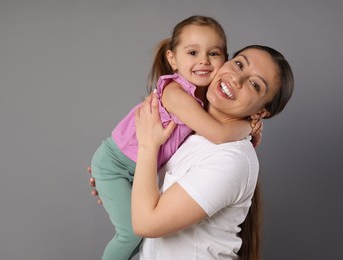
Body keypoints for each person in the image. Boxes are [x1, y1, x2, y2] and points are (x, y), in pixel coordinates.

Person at [90, 15, 261, 260]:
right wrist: (248, 127)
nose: (203, 60)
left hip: (135, 168)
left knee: (138, 239)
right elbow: (219, 133)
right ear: (172, 59)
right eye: (192, 53)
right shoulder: (174, 92)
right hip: (116, 165)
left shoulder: (205, 104)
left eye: (214, 53)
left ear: (225, 59)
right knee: (130, 235)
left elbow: (208, 145)